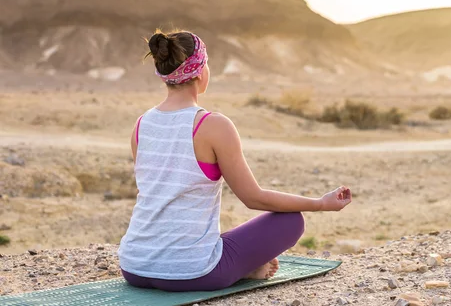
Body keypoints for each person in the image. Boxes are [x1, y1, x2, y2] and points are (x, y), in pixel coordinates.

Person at [118, 29, 352, 292]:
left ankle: (242, 266)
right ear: (200, 70)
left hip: (134, 266)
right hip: (193, 273)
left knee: (214, 240)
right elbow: (254, 198)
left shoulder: (141, 125)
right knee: (290, 221)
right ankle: (244, 269)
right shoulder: (212, 125)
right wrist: (320, 204)